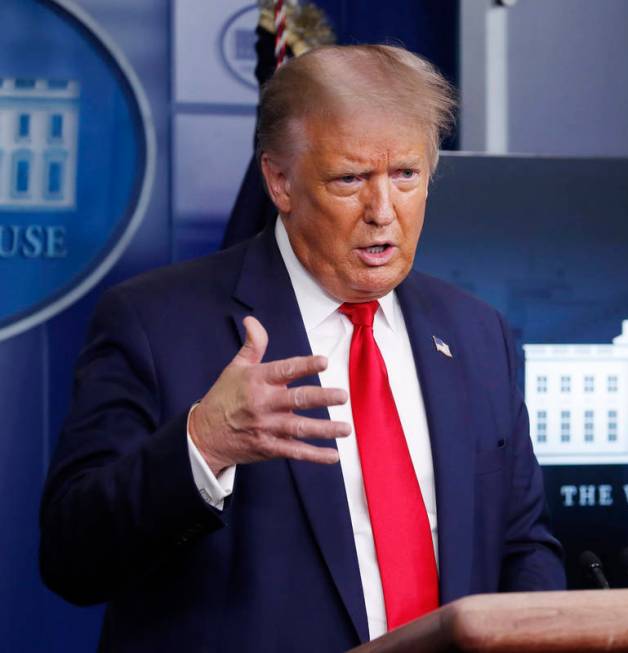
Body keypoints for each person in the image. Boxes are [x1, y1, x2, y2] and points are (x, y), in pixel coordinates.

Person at [40, 44, 564, 652]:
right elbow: (70, 558)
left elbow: (522, 543)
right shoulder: (155, 323)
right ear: (280, 181)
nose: (383, 212)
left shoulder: (477, 333)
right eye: (350, 179)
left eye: (406, 175)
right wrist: (203, 445)